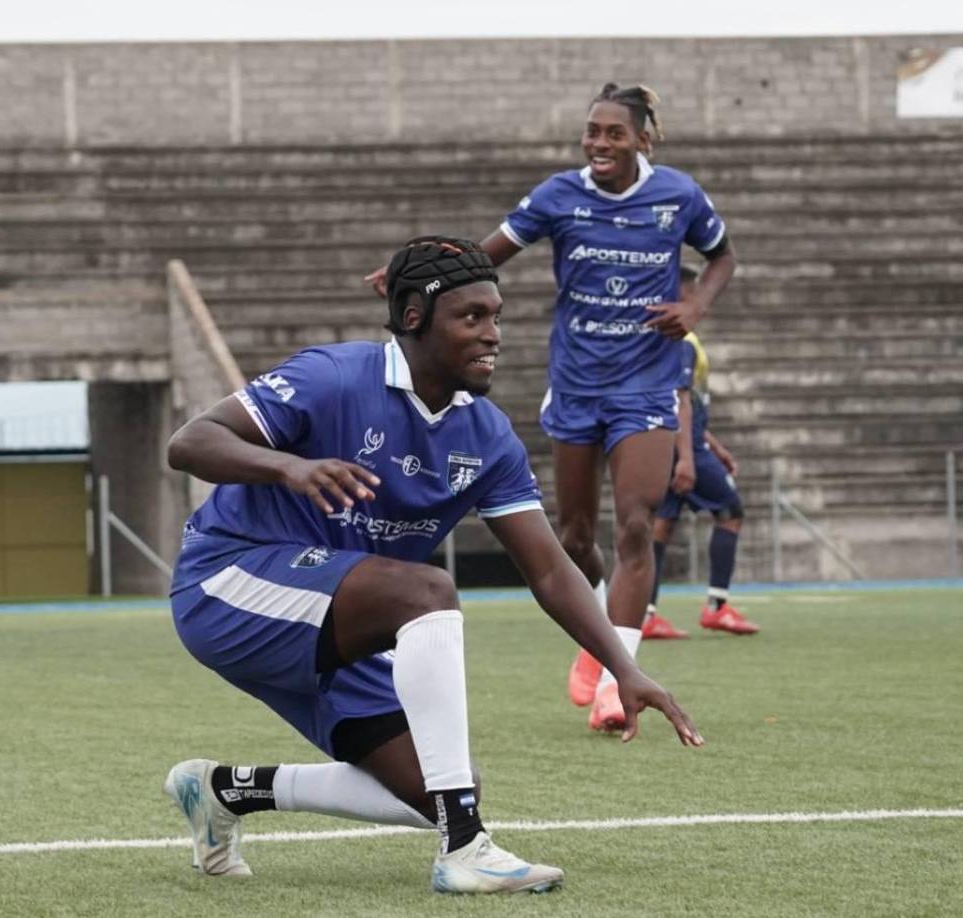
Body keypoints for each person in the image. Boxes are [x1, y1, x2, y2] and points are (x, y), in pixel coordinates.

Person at [163, 236, 703, 895]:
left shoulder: (488, 436)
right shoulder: (333, 377)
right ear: (415, 316)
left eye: (496, 316)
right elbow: (190, 442)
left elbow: (550, 571)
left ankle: (223, 790)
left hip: (342, 618)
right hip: (226, 584)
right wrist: (289, 467)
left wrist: (623, 667)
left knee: (446, 790)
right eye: (472, 316)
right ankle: (466, 850)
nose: (492, 334)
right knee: (427, 592)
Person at [367, 83, 736, 732]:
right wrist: (414, 276)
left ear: (642, 139)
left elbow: (722, 257)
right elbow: (485, 256)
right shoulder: (558, 196)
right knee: (574, 537)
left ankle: (617, 680)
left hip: (647, 383)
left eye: (614, 133)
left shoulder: (679, 195)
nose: (599, 143)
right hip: (575, 385)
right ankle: (599, 626)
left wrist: (695, 306)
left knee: (635, 523)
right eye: (592, 131)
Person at [641, 265, 759, 640]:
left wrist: (715, 446)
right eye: (692, 290)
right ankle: (717, 607)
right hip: (684, 447)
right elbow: (680, 401)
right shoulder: (684, 341)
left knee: (661, 526)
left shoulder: (661, 337)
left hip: (668, 441)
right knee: (730, 513)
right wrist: (690, 458)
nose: (697, 298)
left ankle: (645, 614)